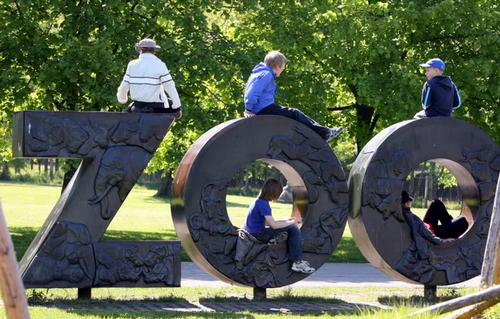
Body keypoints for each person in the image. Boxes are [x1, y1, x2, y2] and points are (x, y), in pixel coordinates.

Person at [244, 51, 343, 143]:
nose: (283, 69)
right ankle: (324, 133)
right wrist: (248, 110)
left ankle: (313, 137)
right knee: (294, 113)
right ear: (278, 66)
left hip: (262, 108)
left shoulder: (258, 74)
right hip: (263, 109)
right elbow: (252, 93)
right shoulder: (266, 75)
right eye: (283, 67)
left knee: (290, 117)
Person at [242, 179, 315, 273]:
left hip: (252, 233)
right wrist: (293, 222)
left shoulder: (258, 201)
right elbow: (274, 225)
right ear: (274, 192)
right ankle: (297, 262)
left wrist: (286, 220)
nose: (280, 195)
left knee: (289, 226)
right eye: (279, 192)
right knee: (293, 229)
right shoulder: (263, 203)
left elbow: (267, 222)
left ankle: (281, 242)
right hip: (258, 235)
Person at [117, 38, 182, 119]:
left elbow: (124, 85)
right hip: (157, 109)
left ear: (140, 50)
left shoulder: (132, 64)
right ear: (154, 51)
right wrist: (177, 107)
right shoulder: (160, 65)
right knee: (172, 106)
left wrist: (122, 99)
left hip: (138, 107)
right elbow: (169, 86)